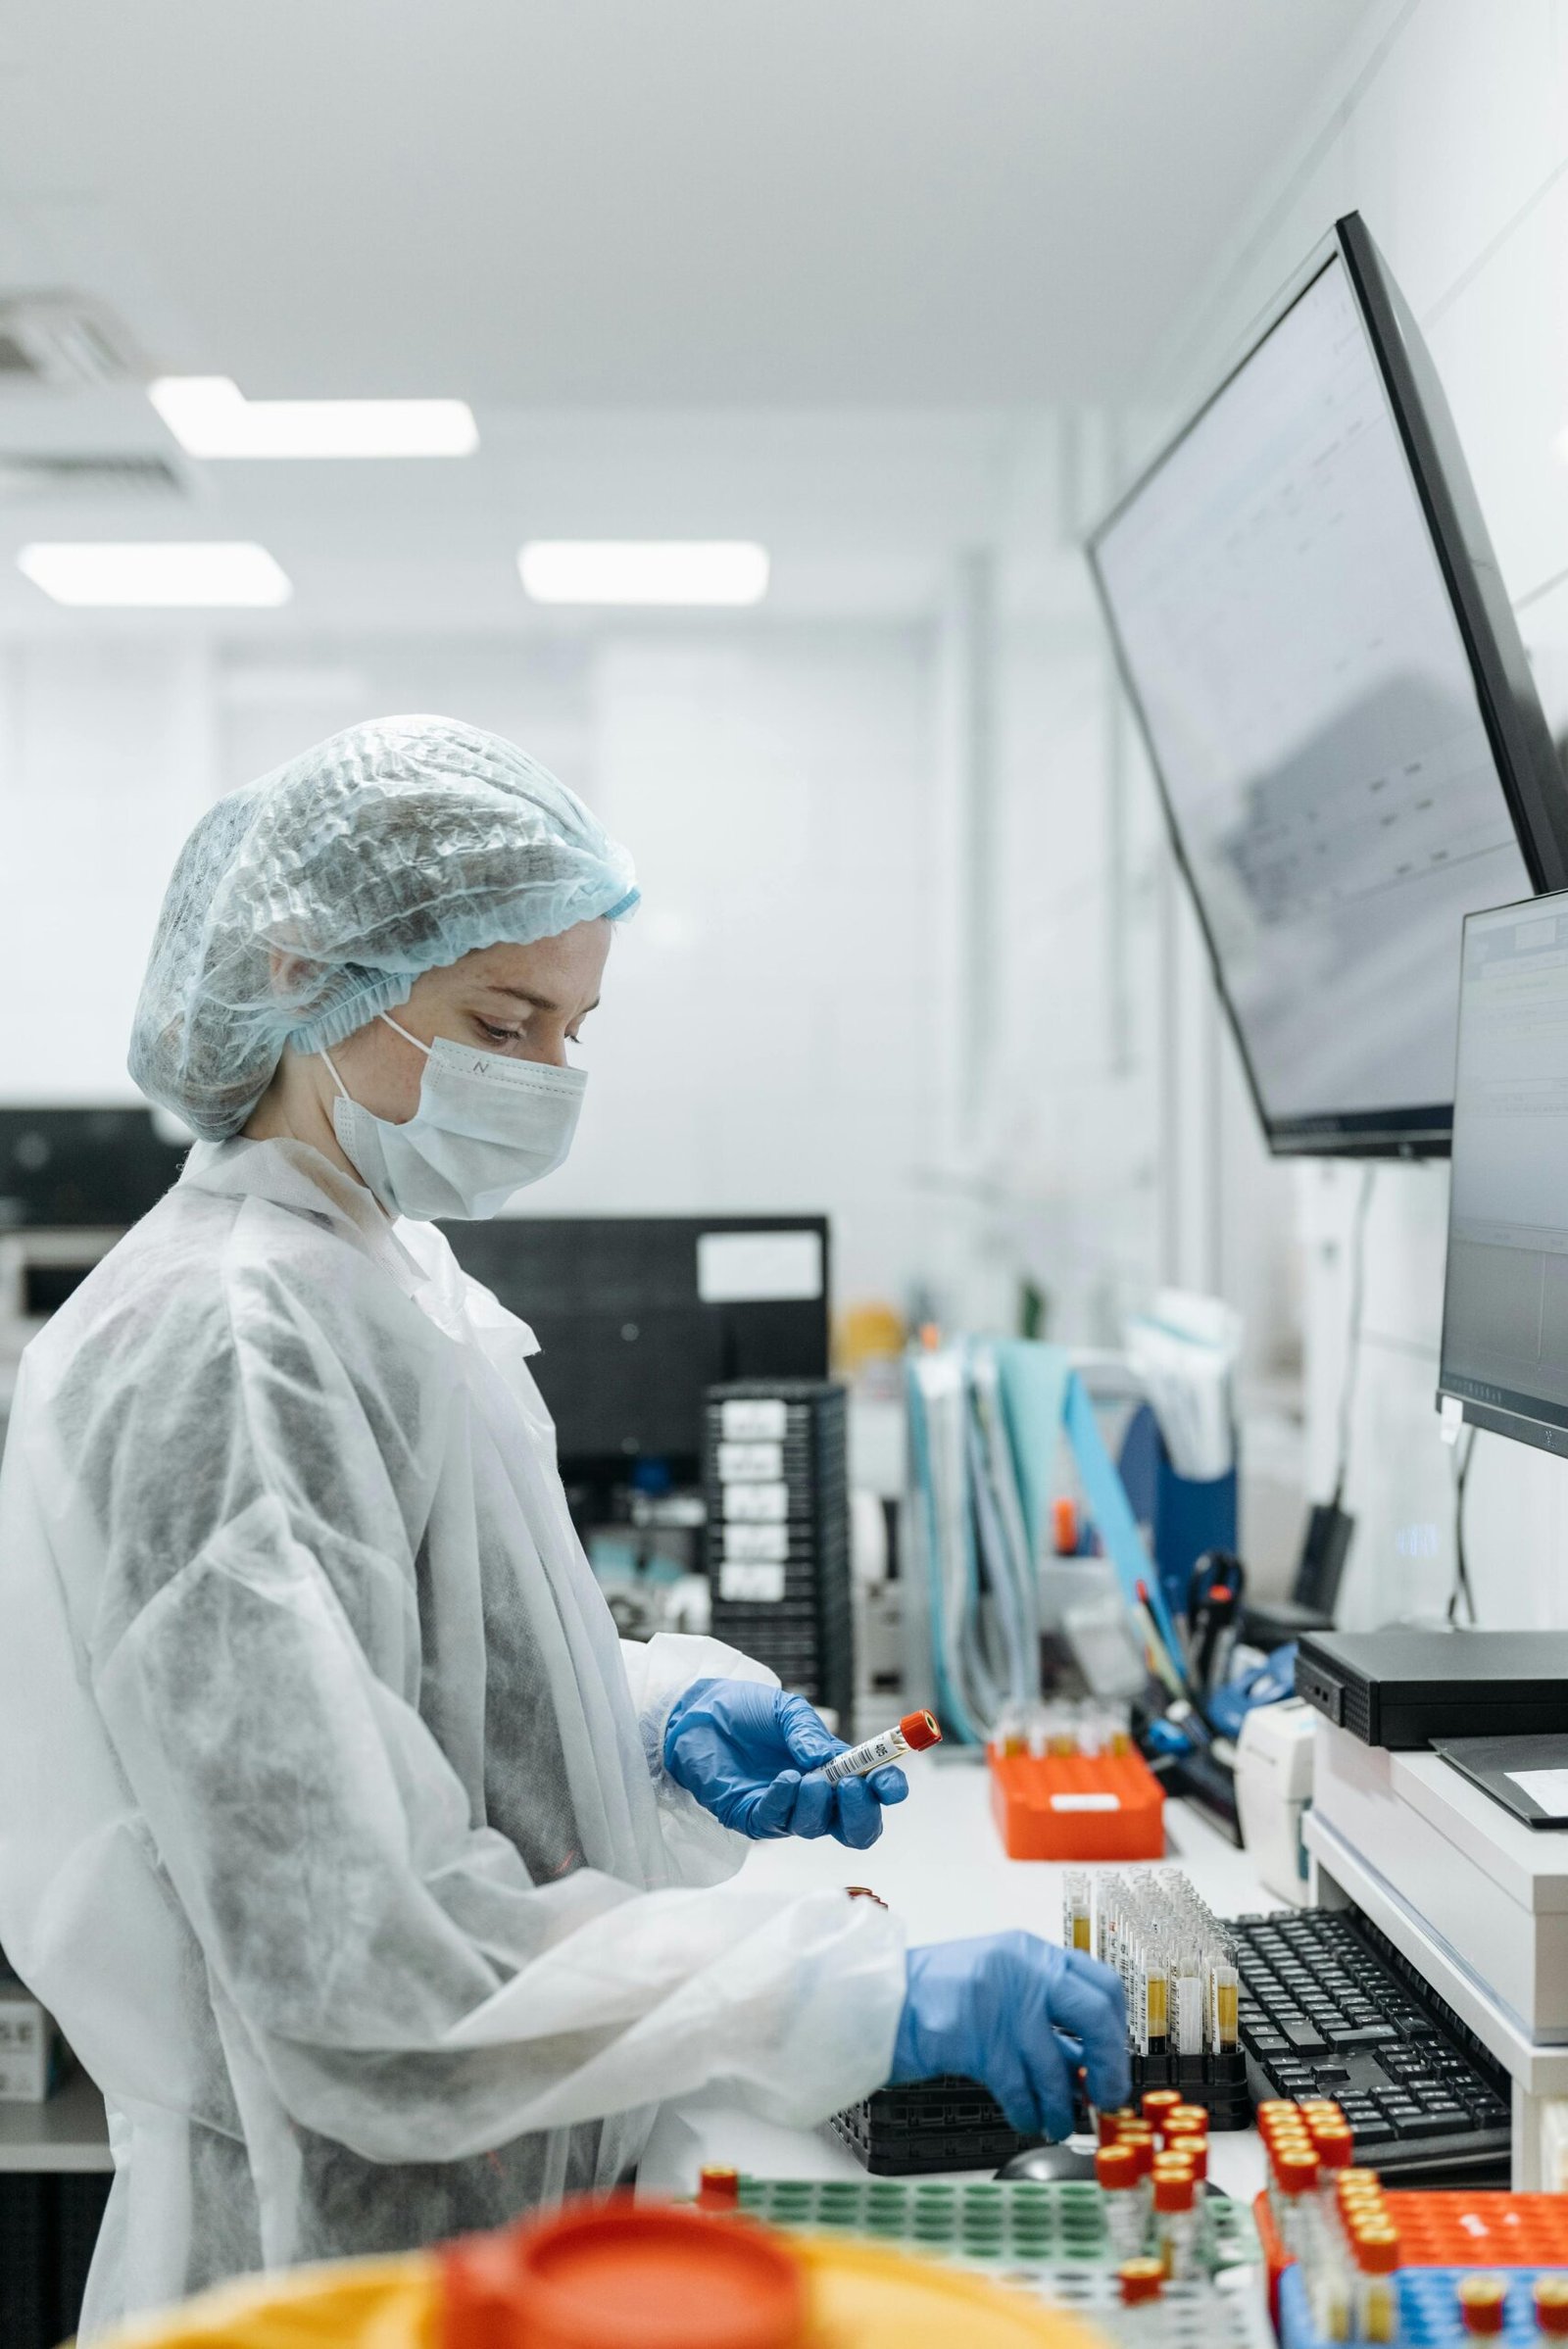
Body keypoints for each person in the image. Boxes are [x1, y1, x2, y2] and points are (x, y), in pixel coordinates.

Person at [0, 716, 1127, 2336]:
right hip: (332, 2264)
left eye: (572, 1027)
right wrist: (851, 1993)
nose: (543, 1077)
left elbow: (416, 1687)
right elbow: (357, 1970)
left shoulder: (381, 1273)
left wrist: (645, 1716)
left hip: (506, 2216)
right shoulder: (225, 1346)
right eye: (501, 1019)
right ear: (307, 974)